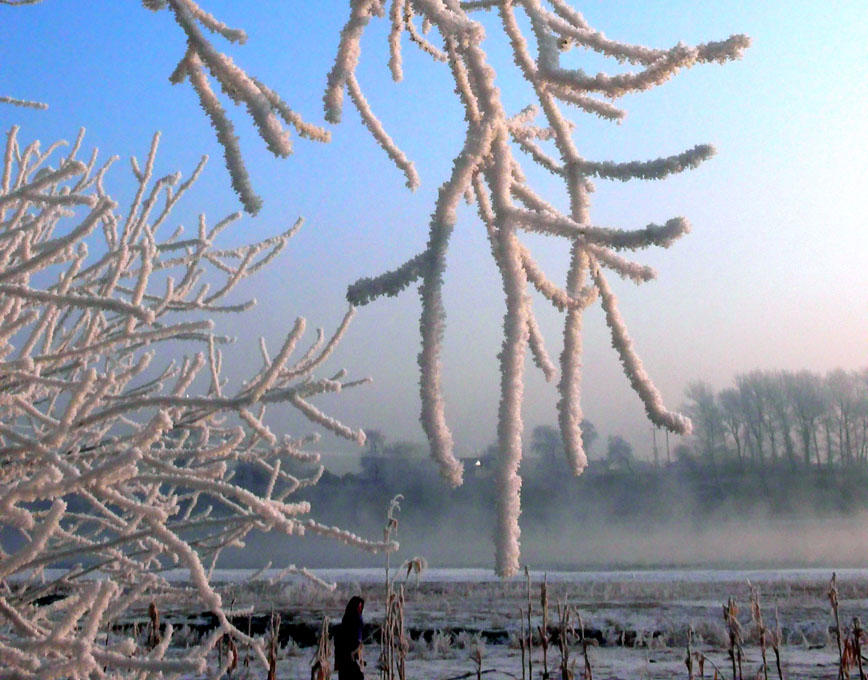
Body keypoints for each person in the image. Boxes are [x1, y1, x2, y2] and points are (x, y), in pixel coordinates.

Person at [335, 596, 365, 680]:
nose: (359, 609)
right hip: (347, 656)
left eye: (361, 607)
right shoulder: (349, 621)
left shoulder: (358, 620)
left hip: (352, 656)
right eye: (358, 607)